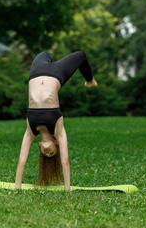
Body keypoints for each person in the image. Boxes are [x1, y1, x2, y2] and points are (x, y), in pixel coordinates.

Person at [14, 51, 97, 190]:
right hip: (56, 74)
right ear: (56, 143)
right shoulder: (58, 130)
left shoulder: (30, 131)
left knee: (44, 53)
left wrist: (17, 186)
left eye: (44, 153)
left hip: (36, 72)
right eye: (52, 153)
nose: (47, 153)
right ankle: (90, 81)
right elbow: (65, 161)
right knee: (81, 55)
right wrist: (67, 188)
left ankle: (66, 75)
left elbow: (21, 160)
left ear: (39, 145)